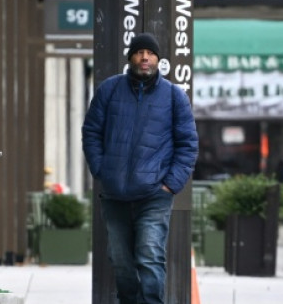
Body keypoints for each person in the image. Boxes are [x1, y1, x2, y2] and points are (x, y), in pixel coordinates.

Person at [81, 32, 199, 304]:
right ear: (130, 57)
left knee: (150, 257)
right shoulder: (109, 90)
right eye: (139, 52)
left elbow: (188, 144)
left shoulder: (174, 97)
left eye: (150, 53)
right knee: (121, 263)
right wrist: (101, 170)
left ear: (158, 59)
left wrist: (170, 185)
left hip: (154, 195)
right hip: (115, 194)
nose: (144, 57)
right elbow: (91, 133)